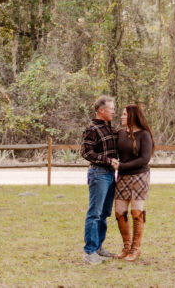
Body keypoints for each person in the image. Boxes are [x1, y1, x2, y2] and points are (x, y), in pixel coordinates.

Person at [80, 95, 119, 265]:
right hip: (98, 173)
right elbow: (86, 152)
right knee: (94, 213)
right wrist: (108, 161)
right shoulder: (92, 129)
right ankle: (89, 252)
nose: (114, 111)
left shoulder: (109, 128)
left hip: (110, 174)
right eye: (111, 109)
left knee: (104, 213)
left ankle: (98, 247)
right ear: (101, 110)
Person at [113, 104, 154, 262]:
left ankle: (136, 249)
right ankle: (126, 247)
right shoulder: (120, 134)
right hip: (122, 177)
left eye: (124, 114)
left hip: (139, 176)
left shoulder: (144, 135)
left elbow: (145, 159)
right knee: (119, 212)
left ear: (132, 116)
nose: (121, 117)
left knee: (136, 212)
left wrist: (121, 165)